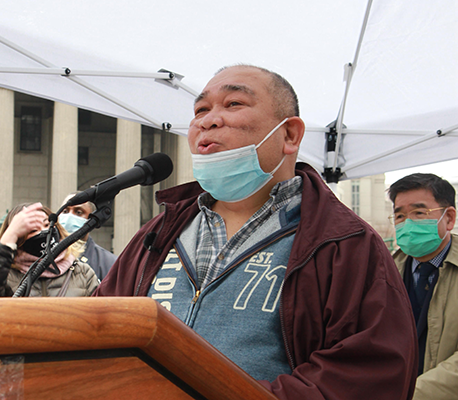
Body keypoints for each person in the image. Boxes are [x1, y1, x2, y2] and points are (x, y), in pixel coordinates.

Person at [95, 65, 418, 399]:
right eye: (201, 110)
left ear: (290, 135)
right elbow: (98, 333)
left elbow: (367, 375)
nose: (208, 120)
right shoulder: (157, 235)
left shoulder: (345, 244)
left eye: (233, 104)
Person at [388, 173, 458, 400]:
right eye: (399, 215)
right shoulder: (384, 272)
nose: (408, 223)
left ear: (448, 218)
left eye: (419, 213)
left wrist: (412, 394)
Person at [0, 202, 98, 298]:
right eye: (33, 230)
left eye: (47, 225)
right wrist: (10, 234)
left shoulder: (82, 273)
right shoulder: (4, 275)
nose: (44, 232)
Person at [59, 193, 118, 280]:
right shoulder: (42, 257)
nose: (69, 216)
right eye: (65, 211)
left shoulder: (109, 263)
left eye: (78, 212)